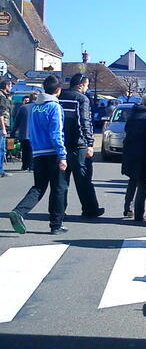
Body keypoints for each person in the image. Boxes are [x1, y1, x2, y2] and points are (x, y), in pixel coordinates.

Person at [8, 75, 69, 235]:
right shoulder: (54, 107)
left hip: (38, 152)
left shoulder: (35, 107)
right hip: (53, 152)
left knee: (39, 187)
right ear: (58, 90)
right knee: (59, 188)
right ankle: (56, 224)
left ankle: (19, 211)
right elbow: (56, 133)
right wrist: (62, 155)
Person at [59, 73, 104, 218]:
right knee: (84, 180)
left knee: (61, 181)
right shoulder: (81, 99)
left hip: (61, 144)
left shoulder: (59, 97)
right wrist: (89, 143)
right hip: (78, 145)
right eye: (86, 85)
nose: (87, 88)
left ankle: (59, 210)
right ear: (80, 85)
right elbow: (85, 121)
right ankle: (90, 209)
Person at [121, 92, 146, 220]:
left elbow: (127, 131)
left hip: (130, 153)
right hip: (144, 154)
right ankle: (139, 214)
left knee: (132, 181)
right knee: (143, 183)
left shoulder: (134, 115)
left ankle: (128, 208)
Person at [12, 94, 35, 171]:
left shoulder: (23, 107)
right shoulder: (38, 108)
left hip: (24, 133)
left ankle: (25, 166)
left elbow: (17, 121)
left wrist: (13, 132)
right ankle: (31, 166)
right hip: (34, 133)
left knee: (25, 150)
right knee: (32, 150)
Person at [0, 78, 13, 178]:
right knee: (1, 149)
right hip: (1, 127)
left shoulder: (4, 96)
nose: (11, 87)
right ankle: (0, 171)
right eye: (10, 85)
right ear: (6, 86)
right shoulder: (2, 97)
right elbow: (0, 114)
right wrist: (3, 128)